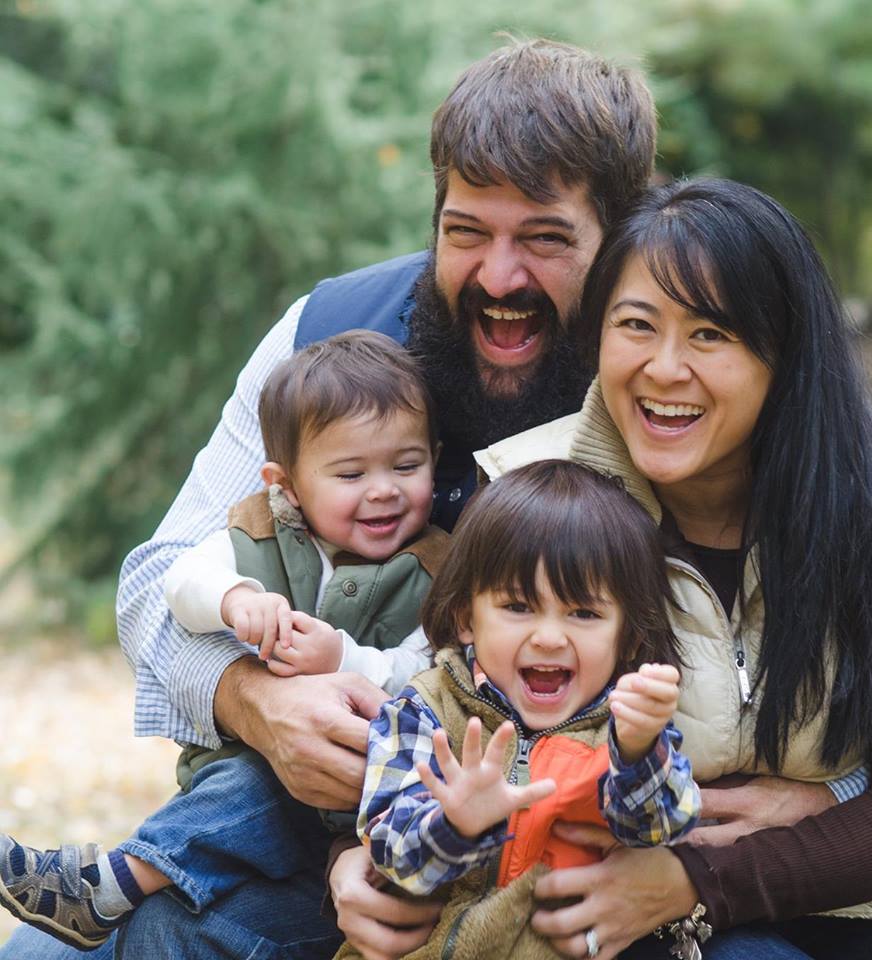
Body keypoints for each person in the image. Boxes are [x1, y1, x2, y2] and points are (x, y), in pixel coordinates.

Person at [0, 37, 660, 960]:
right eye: (466, 231)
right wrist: (250, 701)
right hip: (293, 845)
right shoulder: (326, 333)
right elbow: (157, 581)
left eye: (545, 239)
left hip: (551, 879)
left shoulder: (663, 377)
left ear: (620, 237)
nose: (500, 279)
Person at [473, 177, 872, 958]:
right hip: (597, 911)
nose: (665, 369)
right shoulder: (529, 501)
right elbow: (443, 717)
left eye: (710, 335)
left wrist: (714, 870)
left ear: (785, 354)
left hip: (834, 903)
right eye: (637, 324)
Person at [0, 331, 451, 951]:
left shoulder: (439, 569)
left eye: (407, 466)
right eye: (350, 473)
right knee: (249, 784)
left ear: (435, 456)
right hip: (251, 779)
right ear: (286, 484)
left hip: (367, 800)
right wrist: (235, 599)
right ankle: (111, 890)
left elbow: (429, 671)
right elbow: (179, 580)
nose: (383, 489)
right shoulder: (256, 531)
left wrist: (345, 661)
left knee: (259, 799)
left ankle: (110, 887)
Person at [337, 460, 700, 959]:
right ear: (466, 618)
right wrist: (456, 822)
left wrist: (638, 751)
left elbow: (661, 829)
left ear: (629, 635)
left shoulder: (628, 727)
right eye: (518, 607)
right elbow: (390, 852)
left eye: (584, 613)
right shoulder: (424, 710)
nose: (549, 637)